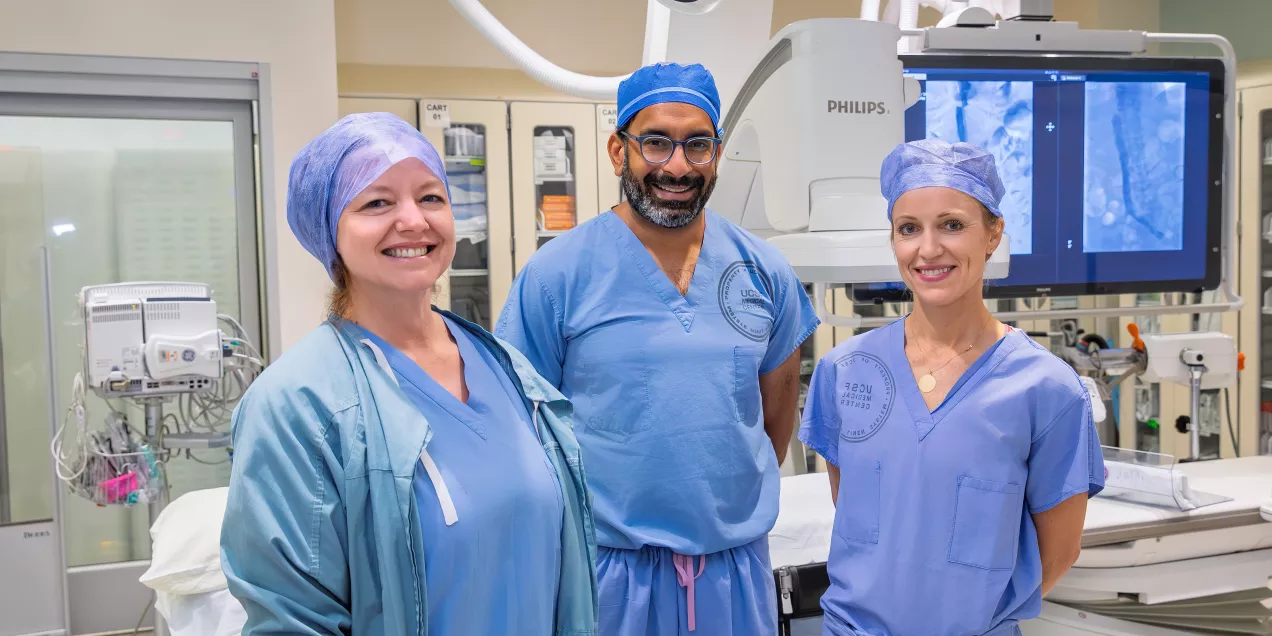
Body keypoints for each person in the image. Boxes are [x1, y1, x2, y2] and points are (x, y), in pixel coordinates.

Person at [220, 112, 599, 636]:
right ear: (329, 229)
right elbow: (292, 619)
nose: (414, 221)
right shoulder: (296, 406)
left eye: (430, 197)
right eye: (377, 202)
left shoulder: (506, 369)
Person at [495, 62, 821, 635]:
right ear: (619, 151)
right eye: (655, 143)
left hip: (733, 571)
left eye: (697, 145)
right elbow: (520, 427)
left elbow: (776, 413)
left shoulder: (763, 270)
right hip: (607, 575)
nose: (677, 166)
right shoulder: (558, 275)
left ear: (717, 153)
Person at [799, 139, 1105, 636]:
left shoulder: (1044, 388)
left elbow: (1060, 551)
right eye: (909, 229)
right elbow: (856, 509)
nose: (928, 249)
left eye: (953, 225)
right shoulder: (846, 371)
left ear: (993, 234)